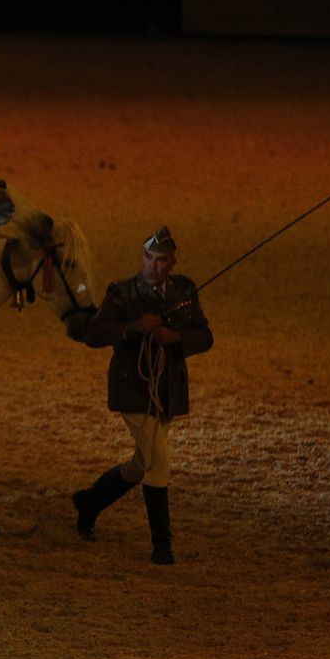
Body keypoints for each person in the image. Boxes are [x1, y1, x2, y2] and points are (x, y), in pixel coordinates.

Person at [75, 226, 213, 564]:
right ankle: (162, 545)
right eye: (149, 258)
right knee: (160, 462)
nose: (154, 266)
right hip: (132, 387)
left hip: (168, 390)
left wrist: (175, 337)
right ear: (142, 258)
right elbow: (93, 333)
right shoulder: (121, 294)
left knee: (142, 463)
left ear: (172, 263)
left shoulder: (185, 290)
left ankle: (90, 502)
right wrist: (132, 328)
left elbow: (205, 336)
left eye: (162, 260)